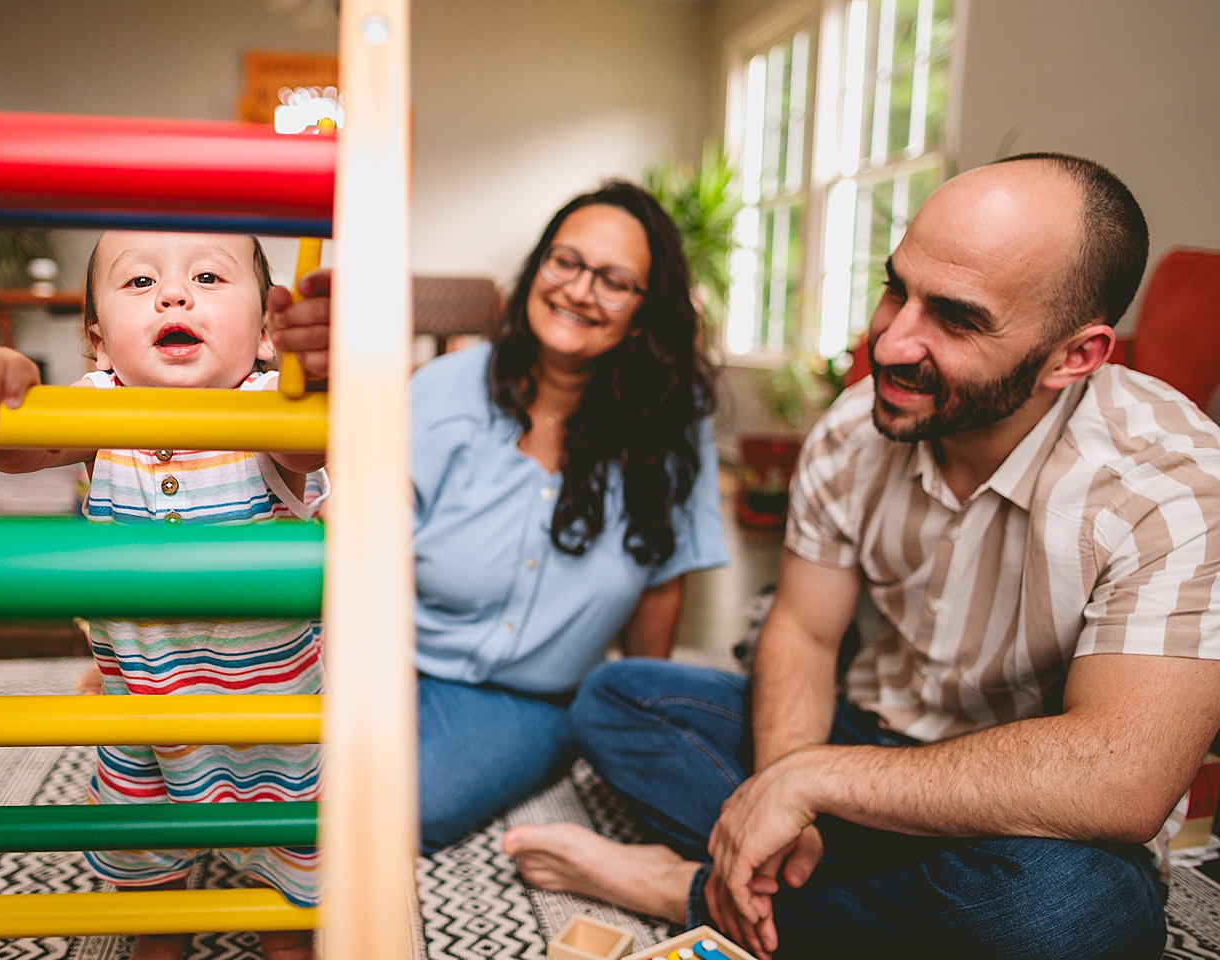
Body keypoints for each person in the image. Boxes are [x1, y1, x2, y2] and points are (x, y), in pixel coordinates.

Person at [502, 154, 1220, 960]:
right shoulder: (855, 429)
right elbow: (804, 635)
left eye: (956, 319)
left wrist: (812, 783)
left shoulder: (1174, 483)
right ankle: (859, 894)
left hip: (1027, 820)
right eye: (895, 288)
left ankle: (690, 888)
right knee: (617, 699)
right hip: (868, 742)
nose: (890, 340)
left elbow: (1123, 776)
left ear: (1074, 357)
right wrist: (787, 786)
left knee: (1083, 915)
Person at [272, 180, 730, 851]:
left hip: (526, 699)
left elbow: (664, 579)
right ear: (538, 267)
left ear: (644, 311)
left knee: (388, 813)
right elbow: (367, 548)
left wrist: (634, 707)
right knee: (263, 769)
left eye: (613, 280)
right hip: (387, 658)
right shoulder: (445, 387)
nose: (579, 289)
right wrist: (373, 692)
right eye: (566, 261)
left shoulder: (673, 425)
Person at [0, 230, 328, 960]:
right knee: (142, 850)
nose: (174, 294)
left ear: (266, 334)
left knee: (289, 873)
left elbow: (309, 444)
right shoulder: (97, 409)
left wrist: (319, 374)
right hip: (144, 702)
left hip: (274, 715)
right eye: (139, 284)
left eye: (208, 276)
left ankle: (286, 938)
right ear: (100, 345)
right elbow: (16, 448)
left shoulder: (272, 408)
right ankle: (158, 935)